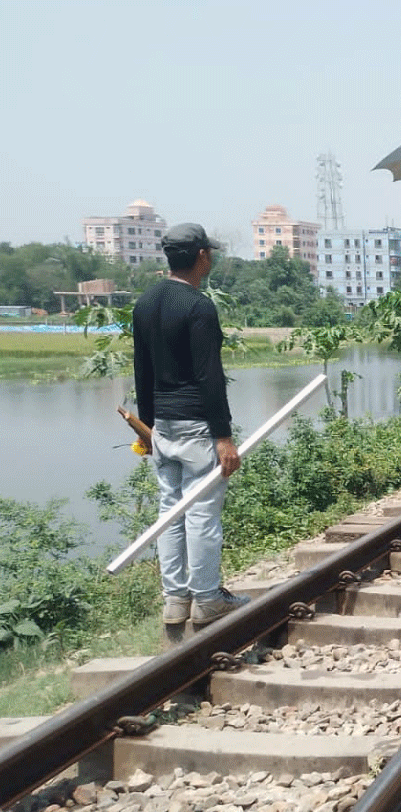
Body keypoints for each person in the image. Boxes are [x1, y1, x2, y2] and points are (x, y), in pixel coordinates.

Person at [132, 223, 248, 627]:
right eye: (210, 252)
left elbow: (141, 371)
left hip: (162, 425)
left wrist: (146, 428)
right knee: (201, 513)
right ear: (201, 256)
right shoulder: (198, 307)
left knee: (170, 511)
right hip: (198, 427)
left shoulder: (145, 302)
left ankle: (175, 600)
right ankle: (207, 597)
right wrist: (223, 436)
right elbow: (209, 376)